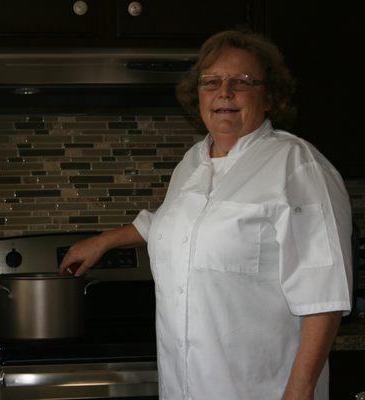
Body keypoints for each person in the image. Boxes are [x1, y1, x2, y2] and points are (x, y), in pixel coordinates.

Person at [59, 30, 352, 400]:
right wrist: (105, 240)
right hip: (185, 387)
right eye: (211, 81)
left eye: (242, 82)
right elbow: (174, 223)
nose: (224, 92)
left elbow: (324, 294)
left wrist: (299, 391)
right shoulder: (194, 162)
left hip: (262, 389)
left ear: (270, 96)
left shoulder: (298, 166)